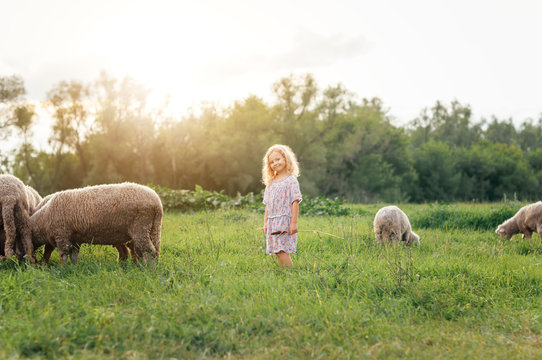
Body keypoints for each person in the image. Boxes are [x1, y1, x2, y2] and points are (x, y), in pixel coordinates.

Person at [262, 144, 302, 267]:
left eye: (278, 159)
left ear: (285, 159)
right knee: (277, 251)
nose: (275, 163)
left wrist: (293, 223)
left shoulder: (291, 180)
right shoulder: (271, 182)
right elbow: (267, 204)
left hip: (285, 219)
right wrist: (265, 223)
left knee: (281, 249)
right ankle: (284, 272)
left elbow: (295, 201)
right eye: (272, 162)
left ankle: (292, 273)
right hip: (272, 220)